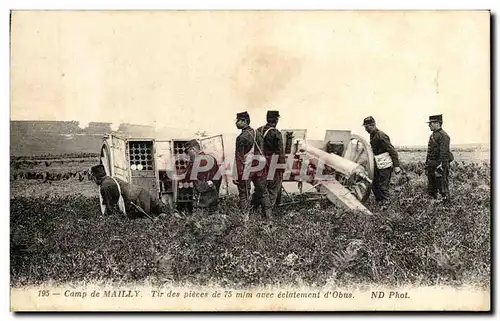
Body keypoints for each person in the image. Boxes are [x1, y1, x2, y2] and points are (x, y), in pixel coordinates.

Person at [234, 111, 272, 220]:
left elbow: (239, 158)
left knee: (244, 195)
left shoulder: (241, 137)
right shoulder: (258, 134)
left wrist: (238, 175)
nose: (236, 123)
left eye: (238, 121)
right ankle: (268, 219)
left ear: (245, 121)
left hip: (246, 168)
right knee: (264, 193)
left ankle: (245, 220)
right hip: (259, 168)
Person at [90, 164, 166, 219]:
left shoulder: (105, 186)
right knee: (161, 211)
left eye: (93, 178)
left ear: (95, 177)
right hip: (142, 192)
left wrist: (105, 218)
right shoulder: (111, 179)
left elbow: (110, 207)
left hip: (136, 200)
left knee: (143, 222)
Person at [362, 116, 401, 206]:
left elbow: (392, 150)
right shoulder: (372, 135)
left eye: (367, 127)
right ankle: (379, 202)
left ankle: (386, 205)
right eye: (365, 127)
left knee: (383, 186)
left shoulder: (381, 135)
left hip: (385, 165)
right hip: (377, 163)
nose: (366, 129)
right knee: (374, 184)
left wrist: (396, 166)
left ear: (373, 125)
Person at [255, 110, 286, 209]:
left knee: (261, 188)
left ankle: (255, 210)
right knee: (272, 188)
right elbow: (280, 153)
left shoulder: (258, 130)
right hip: (272, 163)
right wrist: (282, 168)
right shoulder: (276, 133)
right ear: (276, 120)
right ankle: (267, 212)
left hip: (259, 162)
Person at [184, 139, 221, 214]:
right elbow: (219, 177)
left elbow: (188, 177)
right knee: (214, 220)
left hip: (201, 199)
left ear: (193, 149)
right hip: (213, 196)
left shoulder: (195, 162)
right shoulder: (212, 158)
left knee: (202, 221)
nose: (188, 155)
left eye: (188, 152)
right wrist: (215, 189)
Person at [425, 114, 453, 203]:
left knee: (442, 185)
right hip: (431, 164)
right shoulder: (433, 135)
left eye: (431, 123)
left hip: (439, 165)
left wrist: (441, 166)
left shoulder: (443, 135)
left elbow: (444, 153)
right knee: (432, 186)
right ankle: (434, 204)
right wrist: (427, 164)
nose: (429, 125)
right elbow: (429, 152)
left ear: (438, 123)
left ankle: (446, 204)